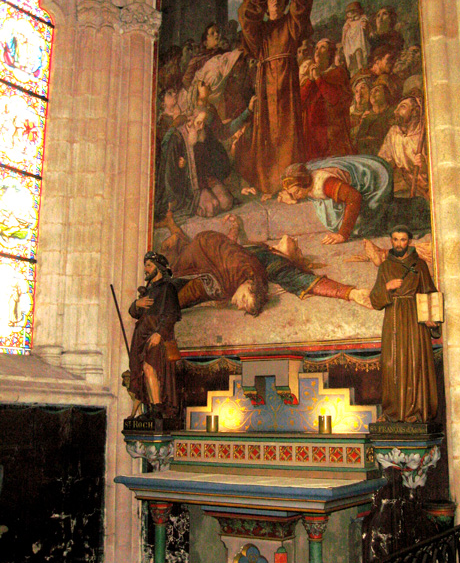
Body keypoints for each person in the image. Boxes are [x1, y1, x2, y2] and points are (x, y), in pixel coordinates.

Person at [161, 216, 368, 314]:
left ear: (292, 260)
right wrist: (236, 225)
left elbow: (307, 281)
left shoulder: (276, 265)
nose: (294, 242)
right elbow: (233, 248)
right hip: (210, 260)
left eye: (298, 250)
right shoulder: (263, 252)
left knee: (171, 292)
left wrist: (349, 293)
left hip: (209, 273)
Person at [236, 0, 315, 196]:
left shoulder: (291, 23)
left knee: (288, 131)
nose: (277, 0)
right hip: (265, 83)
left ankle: (290, 183)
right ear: (267, 3)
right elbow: (245, 13)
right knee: (266, 132)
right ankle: (268, 184)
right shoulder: (259, 31)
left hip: (287, 82)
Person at [369, 225, 440, 423]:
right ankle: (393, 412)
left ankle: (417, 411)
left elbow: (429, 293)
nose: (399, 243)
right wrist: (387, 287)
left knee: (415, 361)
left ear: (408, 241)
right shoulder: (385, 267)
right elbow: (375, 299)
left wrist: (431, 318)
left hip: (415, 321)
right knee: (392, 363)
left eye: (403, 239)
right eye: (395, 239)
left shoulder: (420, 265)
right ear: (391, 241)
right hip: (393, 320)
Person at [278, 155, 393, 243]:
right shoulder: (304, 179)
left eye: (297, 192)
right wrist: (291, 196)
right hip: (353, 180)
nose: (295, 196)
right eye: (292, 193)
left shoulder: (326, 184)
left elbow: (354, 197)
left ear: (305, 184)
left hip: (375, 178)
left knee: (353, 222)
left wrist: (342, 234)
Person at [128, 251, 182, 420]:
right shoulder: (149, 290)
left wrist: (160, 332)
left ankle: (158, 408)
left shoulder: (168, 288)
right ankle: (152, 406)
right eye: (145, 265)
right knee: (144, 371)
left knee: (151, 368)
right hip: (142, 337)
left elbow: (172, 313)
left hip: (157, 335)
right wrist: (137, 303)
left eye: (149, 265)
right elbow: (135, 313)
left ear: (158, 268)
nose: (146, 269)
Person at [300, 38, 353, 160]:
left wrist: (318, 78)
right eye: (316, 48)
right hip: (311, 134)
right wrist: (310, 81)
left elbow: (334, 99)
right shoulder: (309, 77)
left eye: (323, 47)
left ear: (330, 53)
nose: (318, 51)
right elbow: (300, 103)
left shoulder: (338, 73)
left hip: (331, 134)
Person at [378, 91, 428, 199]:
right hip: (404, 187)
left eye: (402, 107)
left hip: (424, 190)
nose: (396, 111)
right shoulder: (393, 132)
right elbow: (384, 161)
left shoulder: (425, 133)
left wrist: (424, 165)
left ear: (415, 112)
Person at [355, 79, 395, 156]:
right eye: (371, 93)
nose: (372, 95)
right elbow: (359, 141)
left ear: (385, 94)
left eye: (377, 91)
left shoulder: (393, 113)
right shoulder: (367, 117)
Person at [341, 0, 370, 75]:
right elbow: (344, 32)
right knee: (350, 56)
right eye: (349, 14)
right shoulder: (348, 23)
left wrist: (365, 26)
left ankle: (361, 67)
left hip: (358, 39)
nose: (352, 17)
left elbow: (367, 28)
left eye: (354, 13)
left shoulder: (362, 19)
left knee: (358, 50)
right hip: (350, 41)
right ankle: (353, 70)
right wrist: (343, 41)